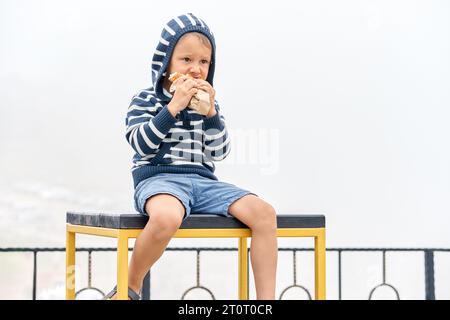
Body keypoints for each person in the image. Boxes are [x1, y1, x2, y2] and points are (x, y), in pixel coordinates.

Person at [106, 13, 277, 300]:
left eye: (204, 62)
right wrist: (172, 107)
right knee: (166, 217)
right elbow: (141, 145)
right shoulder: (146, 99)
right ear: (166, 63)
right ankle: (128, 289)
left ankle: (266, 300)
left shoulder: (209, 104)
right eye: (186, 60)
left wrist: (211, 115)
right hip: (160, 180)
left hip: (204, 182)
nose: (196, 69)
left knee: (264, 214)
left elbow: (219, 151)